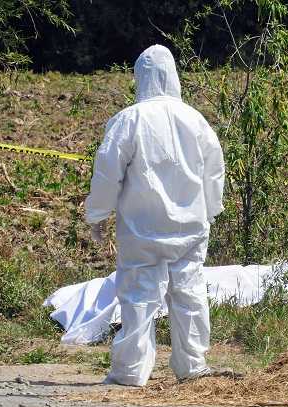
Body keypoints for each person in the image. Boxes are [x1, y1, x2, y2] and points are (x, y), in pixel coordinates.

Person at [84, 45, 225, 386]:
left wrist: (97, 214)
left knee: (138, 298)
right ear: (174, 76)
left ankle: (130, 371)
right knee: (189, 295)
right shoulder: (196, 120)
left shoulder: (128, 120)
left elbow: (107, 173)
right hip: (190, 227)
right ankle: (192, 367)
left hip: (141, 229)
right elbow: (214, 171)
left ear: (139, 77)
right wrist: (210, 209)